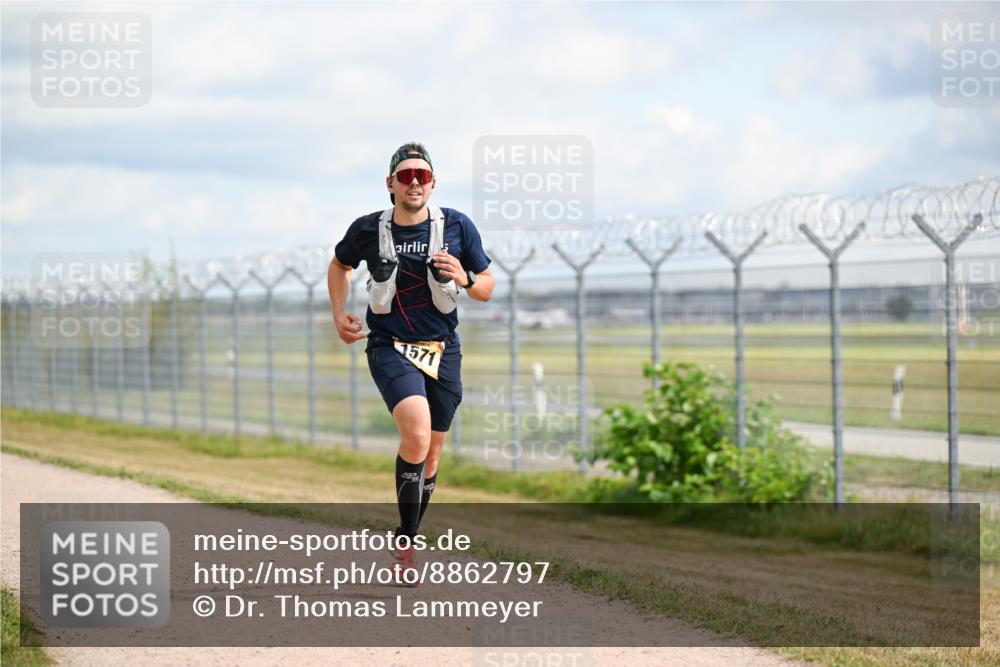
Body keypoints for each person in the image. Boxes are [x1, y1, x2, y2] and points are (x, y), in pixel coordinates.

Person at [327, 142, 495, 584]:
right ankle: (406, 549)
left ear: (433, 183)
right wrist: (338, 312)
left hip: (443, 348)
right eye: (406, 176)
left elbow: (487, 287)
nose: (414, 182)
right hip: (389, 345)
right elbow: (339, 265)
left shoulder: (457, 226)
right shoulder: (367, 229)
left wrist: (466, 277)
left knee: (433, 453)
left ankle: (408, 537)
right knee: (417, 434)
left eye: (422, 175)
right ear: (391, 184)